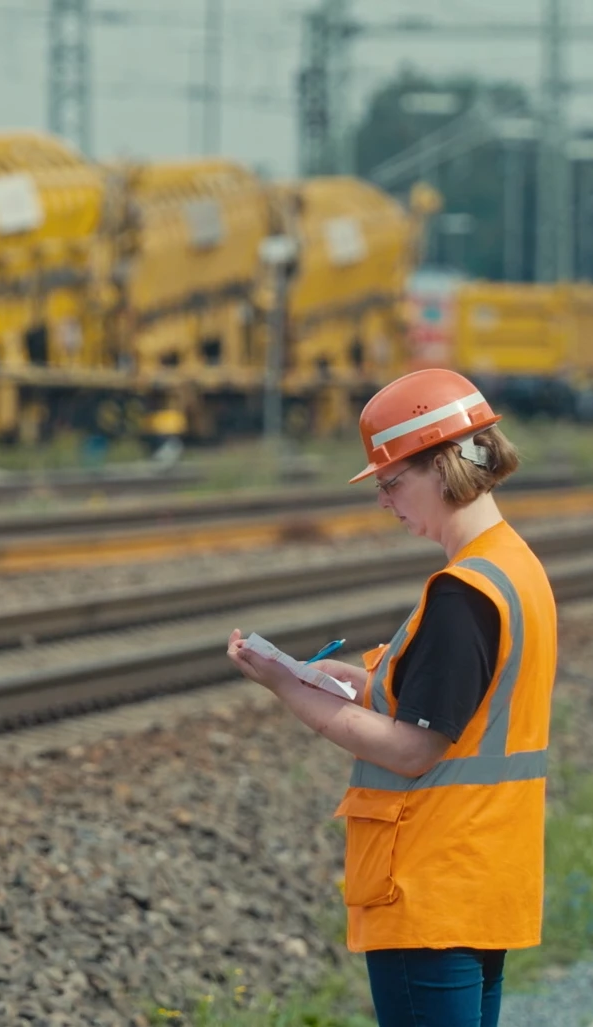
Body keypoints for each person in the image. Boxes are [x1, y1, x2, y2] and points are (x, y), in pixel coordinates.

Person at [225, 368, 557, 1027]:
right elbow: (462, 706)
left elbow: (412, 748)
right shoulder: (512, 567)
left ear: (444, 464)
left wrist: (287, 685)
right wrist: (354, 681)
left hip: (429, 887)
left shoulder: (461, 595)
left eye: (391, 479)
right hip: (483, 874)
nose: (383, 498)